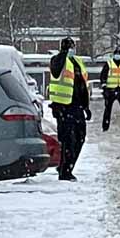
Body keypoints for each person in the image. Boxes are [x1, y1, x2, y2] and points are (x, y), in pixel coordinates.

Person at [48, 37, 91, 181]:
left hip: (77, 106)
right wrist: (63, 53)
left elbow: (82, 85)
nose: (72, 49)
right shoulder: (57, 60)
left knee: (80, 138)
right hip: (63, 107)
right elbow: (55, 71)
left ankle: (66, 166)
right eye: (69, 46)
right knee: (68, 140)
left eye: (72, 46)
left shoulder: (77, 62)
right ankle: (65, 171)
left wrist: (86, 106)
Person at [98, 47, 120, 132]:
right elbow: (103, 75)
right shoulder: (109, 64)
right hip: (110, 89)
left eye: (118, 55)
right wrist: (104, 85)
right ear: (113, 55)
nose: (117, 56)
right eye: (116, 54)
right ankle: (105, 127)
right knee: (108, 109)